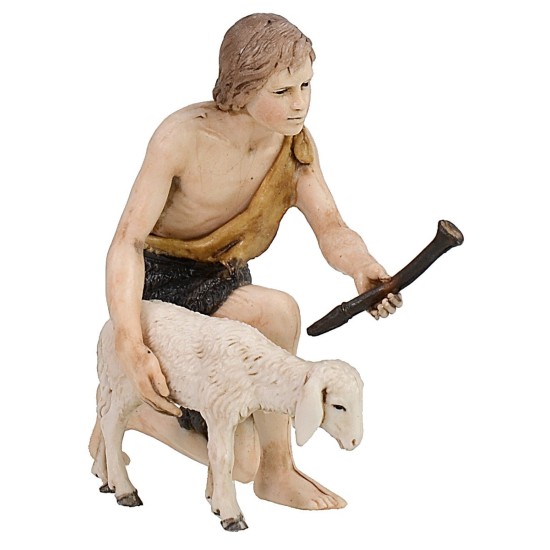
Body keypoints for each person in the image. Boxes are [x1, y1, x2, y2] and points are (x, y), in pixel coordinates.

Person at [101, 13, 402, 510]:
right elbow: (126, 243)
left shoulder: (292, 145)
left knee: (277, 317)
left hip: (223, 279)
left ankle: (276, 471)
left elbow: (331, 226)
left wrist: (362, 266)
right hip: (159, 286)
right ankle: (135, 414)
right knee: (240, 463)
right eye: (281, 91)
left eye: (306, 85)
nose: (300, 102)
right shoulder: (181, 138)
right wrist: (130, 341)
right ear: (240, 90)